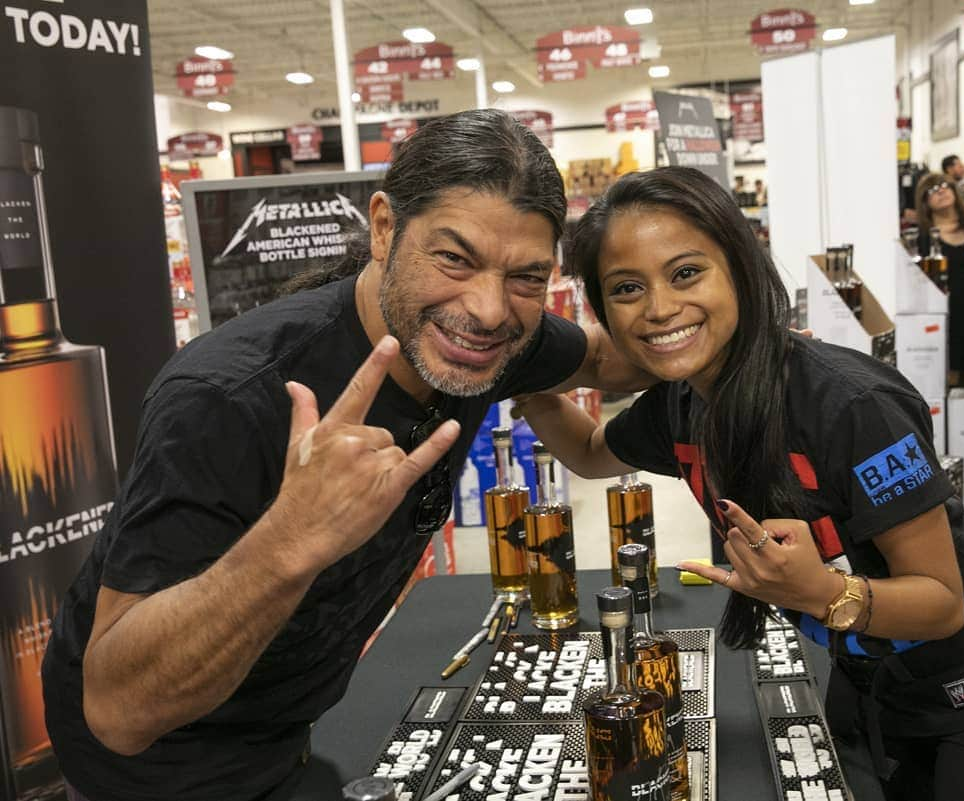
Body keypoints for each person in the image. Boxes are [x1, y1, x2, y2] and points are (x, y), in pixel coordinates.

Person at [41, 109, 647, 801]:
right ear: (384, 227)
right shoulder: (226, 397)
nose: (485, 309)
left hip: (293, 727)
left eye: (526, 277)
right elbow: (119, 712)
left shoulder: (498, 336)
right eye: (454, 258)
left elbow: (609, 360)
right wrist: (292, 537)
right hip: (159, 771)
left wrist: (721, 333)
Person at [518, 166, 964, 801]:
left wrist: (823, 592)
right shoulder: (683, 401)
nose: (660, 308)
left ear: (740, 269)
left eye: (686, 273)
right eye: (626, 288)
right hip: (868, 685)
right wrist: (526, 386)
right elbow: (591, 452)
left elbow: (942, 604)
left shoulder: (849, 405)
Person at [915, 173, 964, 387]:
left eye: (945, 185)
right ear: (924, 202)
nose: (941, 190)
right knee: (947, 377)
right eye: (932, 190)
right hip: (945, 315)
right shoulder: (923, 239)